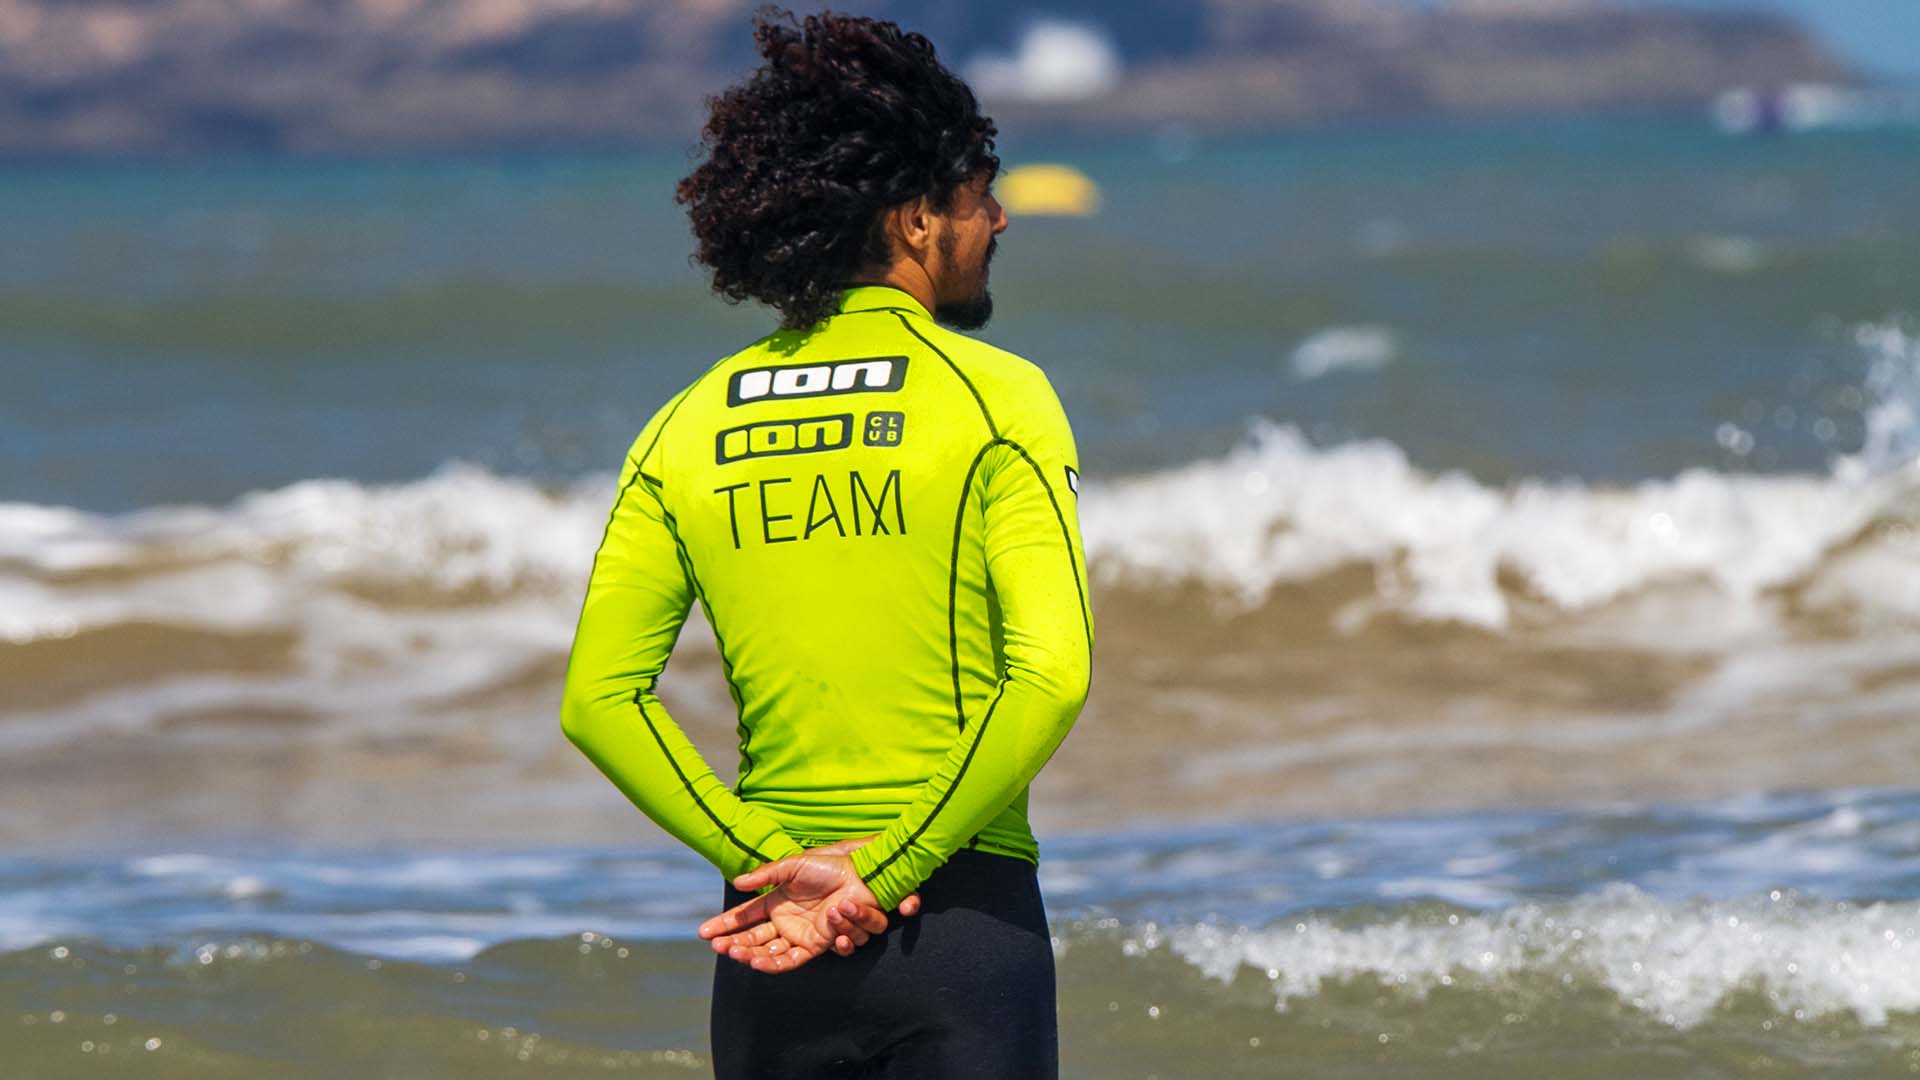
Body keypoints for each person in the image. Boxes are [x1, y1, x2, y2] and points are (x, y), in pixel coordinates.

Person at [559, 9, 1093, 1078]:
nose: (998, 219)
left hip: (771, 945)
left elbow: (599, 701)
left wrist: (767, 860)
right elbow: (1051, 674)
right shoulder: (999, 397)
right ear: (913, 221)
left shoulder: (685, 425)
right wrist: (885, 868)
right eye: (978, 195)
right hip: (954, 925)